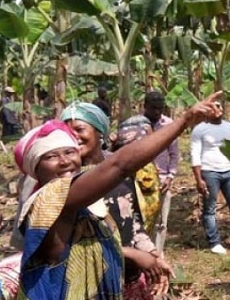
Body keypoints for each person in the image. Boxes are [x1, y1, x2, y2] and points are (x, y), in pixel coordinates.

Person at [15, 94, 220, 298]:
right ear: (35, 167)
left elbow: (129, 224)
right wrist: (184, 121)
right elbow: (120, 165)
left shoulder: (87, 189)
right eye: (50, 156)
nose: (64, 161)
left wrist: (151, 256)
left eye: (70, 152)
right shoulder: (50, 198)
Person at [60, 102, 167, 297]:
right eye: (66, 131)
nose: (73, 135)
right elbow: (70, 242)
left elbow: (133, 223)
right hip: (86, 283)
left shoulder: (121, 171)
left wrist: (152, 255)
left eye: (80, 129)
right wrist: (132, 253)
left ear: (100, 131)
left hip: (127, 277)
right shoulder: (64, 180)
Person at [190, 102, 230, 254]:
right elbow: (195, 155)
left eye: (220, 106)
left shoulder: (229, 127)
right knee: (210, 209)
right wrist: (199, 179)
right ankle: (214, 242)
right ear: (206, 111)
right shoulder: (199, 130)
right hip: (210, 171)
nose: (218, 109)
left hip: (229, 170)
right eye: (214, 107)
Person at [143, 91, 179, 255]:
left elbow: (174, 153)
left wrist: (171, 176)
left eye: (160, 108)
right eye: (153, 108)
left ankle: (158, 255)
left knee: (161, 222)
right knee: (142, 220)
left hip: (163, 180)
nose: (157, 112)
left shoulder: (169, 124)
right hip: (141, 182)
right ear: (145, 107)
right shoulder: (137, 124)